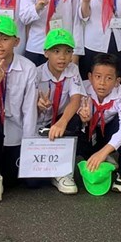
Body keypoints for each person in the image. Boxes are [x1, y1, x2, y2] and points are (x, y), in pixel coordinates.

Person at [0, 15, 39, 202]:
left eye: (5, 39)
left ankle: (5, 170)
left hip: (16, 128)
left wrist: (29, 145)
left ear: (16, 41)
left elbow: (29, 109)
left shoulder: (28, 68)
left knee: (21, 181)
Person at [34, 28, 86, 195]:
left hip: (60, 121)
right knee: (33, 182)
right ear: (46, 53)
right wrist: (37, 105)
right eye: (56, 51)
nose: (62, 57)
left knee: (75, 120)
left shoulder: (72, 69)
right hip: (40, 123)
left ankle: (64, 172)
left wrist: (62, 122)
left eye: (67, 52)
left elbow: (76, 99)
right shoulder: (36, 73)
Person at [76, 54, 121, 194]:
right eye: (98, 77)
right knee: (74, 122)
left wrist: (104, 151)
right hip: (91, 132)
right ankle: (67, 170)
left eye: (109, 78)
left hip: (108, 132)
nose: (102, 83)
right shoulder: (82, 89)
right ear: (90, 77)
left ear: (117, 81)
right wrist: (81, 115)